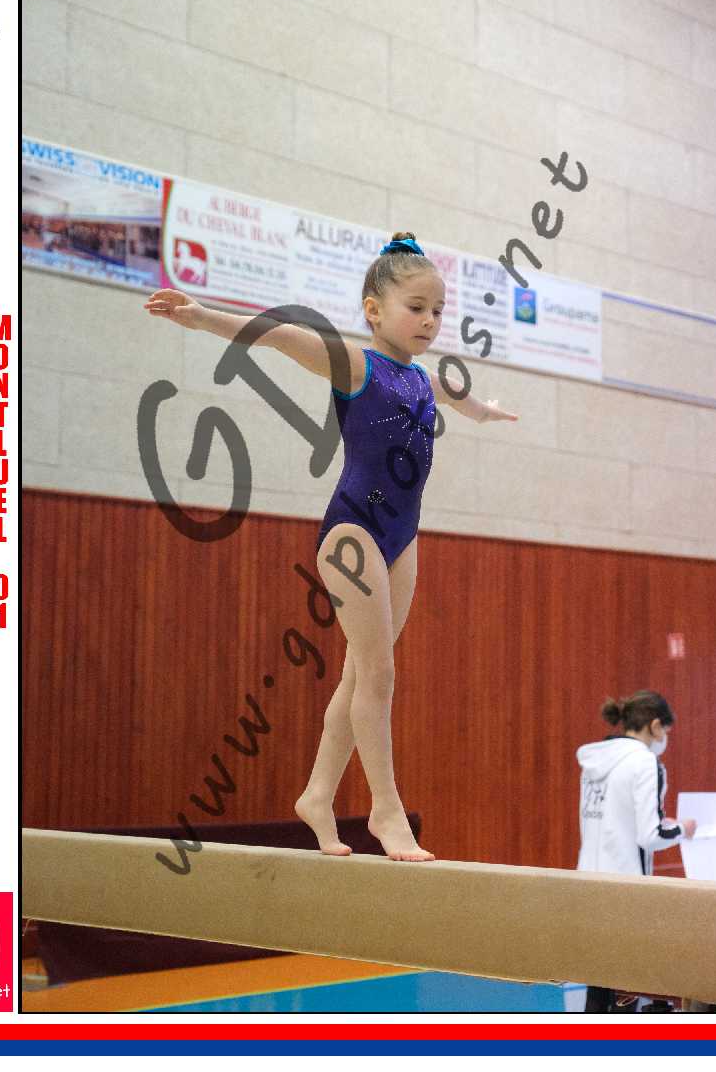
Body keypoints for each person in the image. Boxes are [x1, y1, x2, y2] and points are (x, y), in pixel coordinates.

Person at [144, 231, 518, 862]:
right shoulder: (354, 364)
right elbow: (279, 337)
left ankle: (317, 794)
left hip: (402, 537)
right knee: (380, 672)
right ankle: (385, 809)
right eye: (416, 307)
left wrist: (485, 411)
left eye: (437, 310)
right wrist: (201, 315)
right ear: (374, 309)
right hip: (353, 533)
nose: (429, 320)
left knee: (360, 674)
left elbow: (458, 397)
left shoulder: (422, 379)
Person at [576, 690, 698, 1012]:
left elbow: (611, 819)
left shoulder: (596, 760)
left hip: (586, 882)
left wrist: (659, 823)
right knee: (626, 992)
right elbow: (650, 836)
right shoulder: (645, 762)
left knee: (597, 988)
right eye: (666, 731)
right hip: (625, 889)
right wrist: (683, 828)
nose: (665, 739)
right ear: (655, 726)